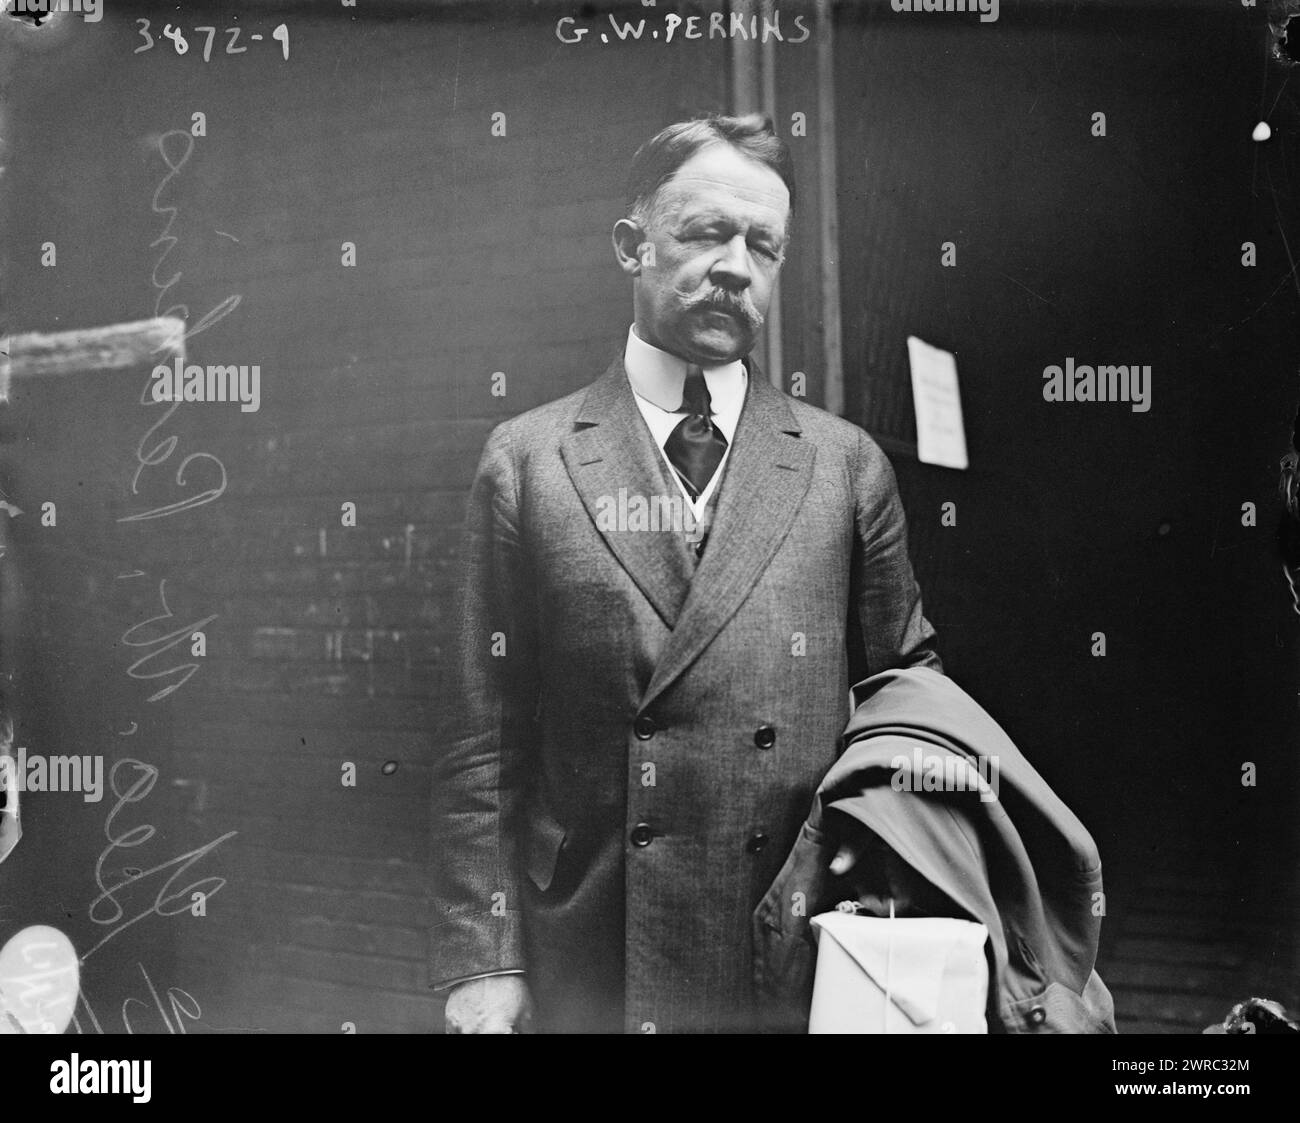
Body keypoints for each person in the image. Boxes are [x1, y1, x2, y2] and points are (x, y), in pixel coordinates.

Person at [430, 113, 942, 1033]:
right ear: (632, 246)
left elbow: (909, 712)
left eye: (763, 245)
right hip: (589, 948)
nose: (736, 267)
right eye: (707, 233)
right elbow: (485, 740)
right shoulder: (530, 459)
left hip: (785, 944)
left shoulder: (844, 464)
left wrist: (887, 907)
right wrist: (485, 955)